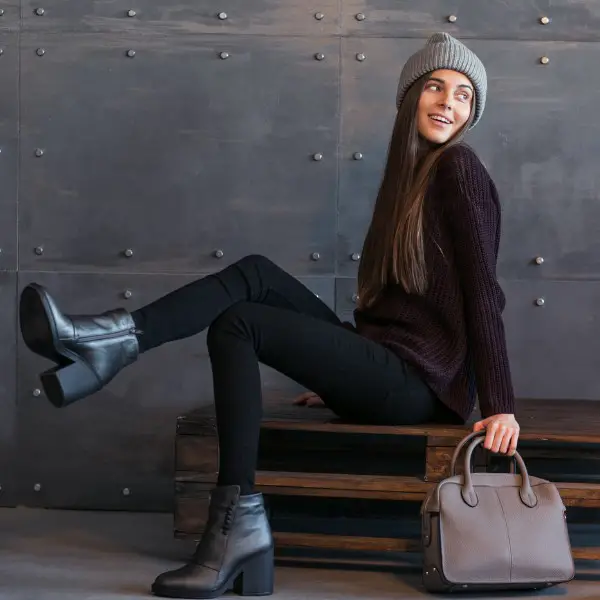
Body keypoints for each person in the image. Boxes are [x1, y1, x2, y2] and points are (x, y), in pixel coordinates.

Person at [19, 32, 520, 599]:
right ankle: (113, 339)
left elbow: (483, 294)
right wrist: (337, 373)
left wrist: (500, 404)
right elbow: (398, 314)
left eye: (462, 95)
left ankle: (236, 527)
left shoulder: (458, 168)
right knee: (256, 272)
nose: (447, 102)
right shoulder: (409, 181)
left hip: (419, 386)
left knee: (240, 323)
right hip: (389, 366)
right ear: (410, 98)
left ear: (471, 113)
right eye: (434, 86)